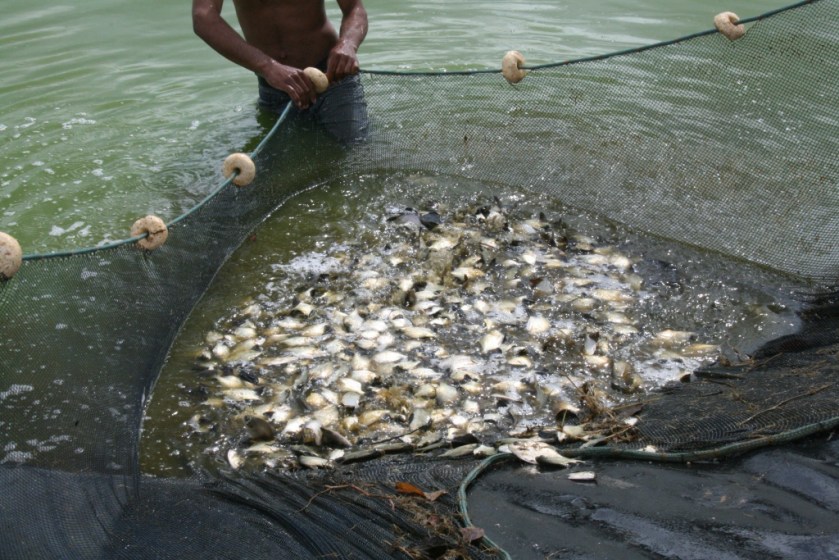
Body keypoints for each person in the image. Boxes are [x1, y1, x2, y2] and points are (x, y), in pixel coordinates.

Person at [192, 0, 369, 143]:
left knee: (357, 152)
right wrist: (267, 67)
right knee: (279, 173)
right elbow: (204, 18)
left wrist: (347, 44)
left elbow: (354, 8)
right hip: (274, 84)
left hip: (331, 76)